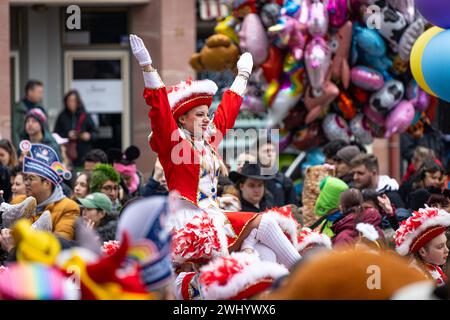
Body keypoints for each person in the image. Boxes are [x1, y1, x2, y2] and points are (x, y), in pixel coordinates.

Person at [131, 34, 300, 270]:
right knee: (266, 223)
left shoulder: (208, 139)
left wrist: (243, 75)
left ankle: (295, 282)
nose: (206, 119)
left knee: (265, 251)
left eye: (206, 114)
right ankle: (307, 272)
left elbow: (227, 112)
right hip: (190, 222)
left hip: (214, 216)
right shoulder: (173, 143)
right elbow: (159, 111)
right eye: (199, 115)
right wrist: (147, 67)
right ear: (181, 119)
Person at [5, 143, 80, 240]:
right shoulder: (19, 201)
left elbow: (61, 242)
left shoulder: (68, 207)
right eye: (25, 178)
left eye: (31, 179)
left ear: (47, 183)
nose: (26, 183)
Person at [394, 207, 450, 287]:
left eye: (445, 244)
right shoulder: (418, 279)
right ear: (422, 251)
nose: (447, 250)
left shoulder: (432, 266)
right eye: (440, 247)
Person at [54, 90, 97, 167]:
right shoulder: (62, 116)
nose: (71, 103)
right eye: (69, 100)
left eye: (73, 100)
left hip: (83, 151)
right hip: (66, 152)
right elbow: (55, 134)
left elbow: (96, 133)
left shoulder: (85, 115)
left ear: (78, 102)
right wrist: (67, 135)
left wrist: (89, 136)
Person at [256, 137, 299, 207]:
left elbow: (293, 209)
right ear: (257, 154)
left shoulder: (285, 181)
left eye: (272, 151)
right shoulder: (249, 179)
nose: (270, 154)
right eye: (266, 151)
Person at [12, 80, 46, 147]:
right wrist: (19, 148)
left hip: (40, 145)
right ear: (30, 92)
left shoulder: (41, 108)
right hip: (23, 144)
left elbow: (45, 129)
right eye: (39, 92)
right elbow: (15, 131)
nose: (41, 95)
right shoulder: (18, 108)